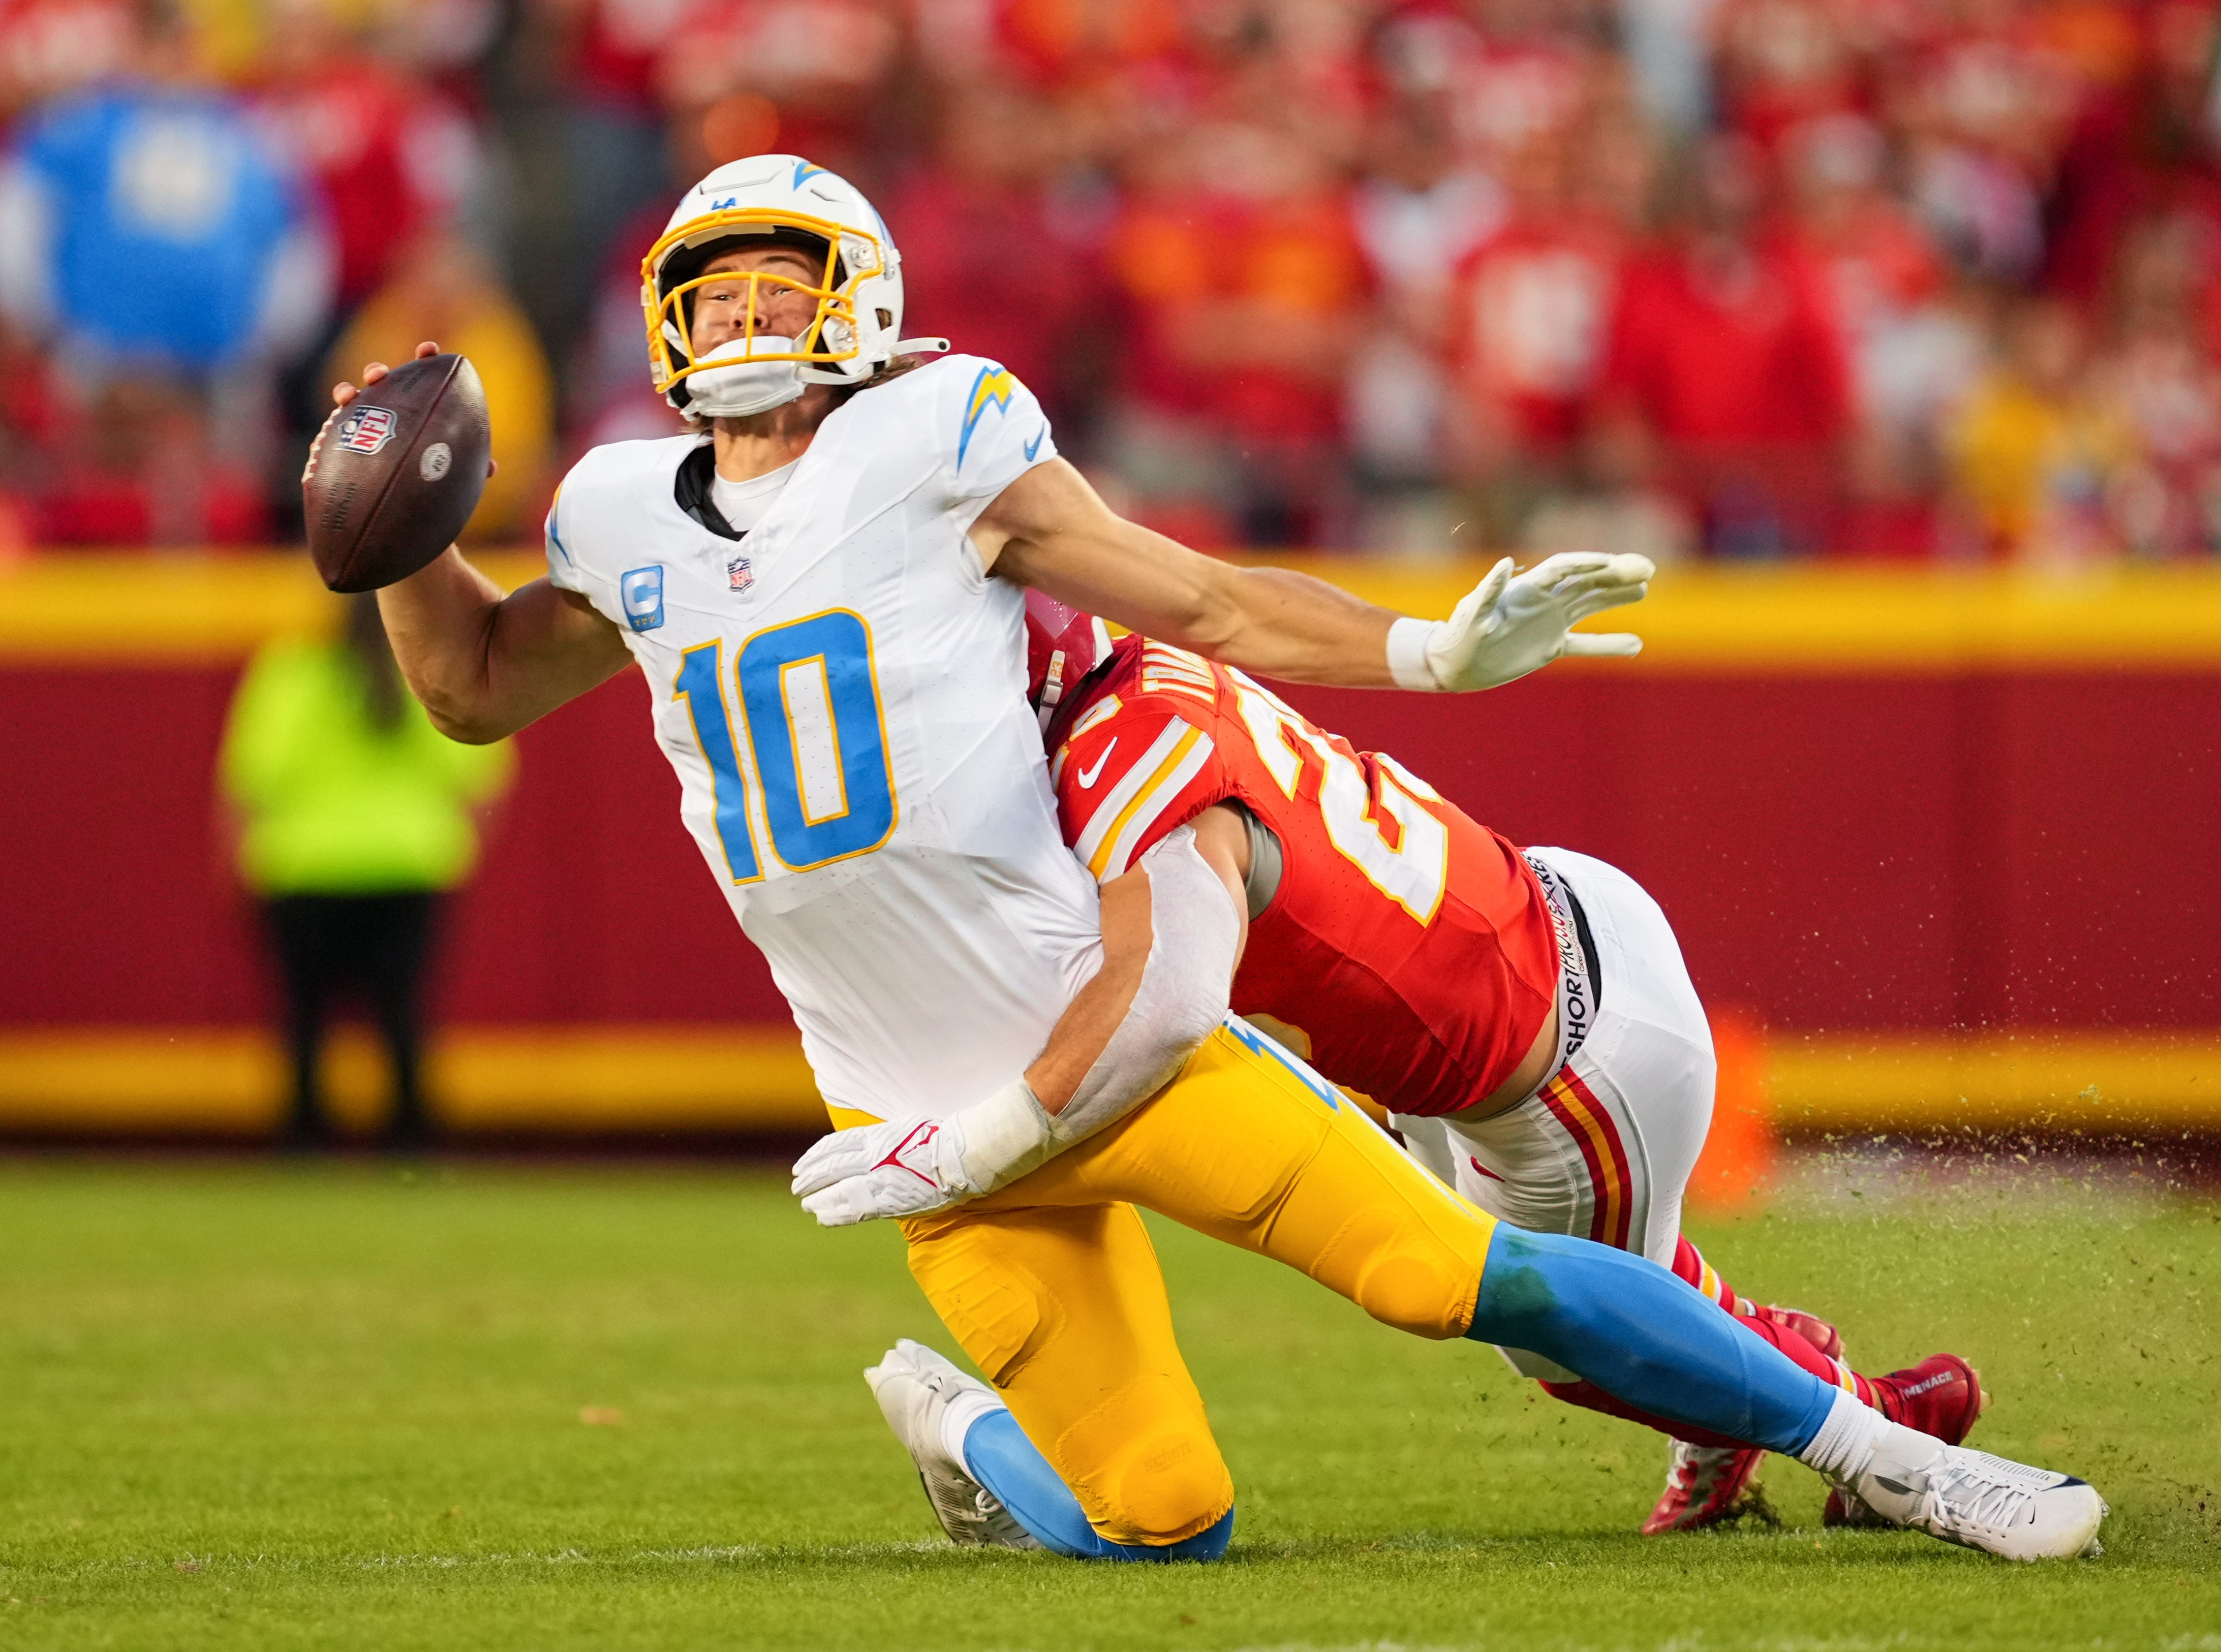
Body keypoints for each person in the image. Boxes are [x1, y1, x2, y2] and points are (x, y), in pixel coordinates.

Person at [333, 153, 2105, 1565]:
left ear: (859, 302)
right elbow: (474, 690)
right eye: (711, 295)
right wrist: (395, 530)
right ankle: (967, 1426)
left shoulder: (939, 440)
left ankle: (1890, 1459)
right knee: (1166, 1524)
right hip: (902, 1121)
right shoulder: (617, 514)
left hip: (1094, 1044)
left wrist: (1423, 652)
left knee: (1442, 1277)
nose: (742, 320)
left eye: (778, 286)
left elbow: (1203, 599)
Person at [1002, 594, 1985, 1536]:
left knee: (1561, 1337)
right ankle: (1753, 1374)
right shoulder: (1152, 675)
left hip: (1567, 1060)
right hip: (1539, 917)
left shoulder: (1119, 764)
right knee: (1572, 1269)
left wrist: (986, 1138)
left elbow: (1165, 1001)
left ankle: (1888, 1414)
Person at [219, 593, 512, 1147]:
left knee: (305, 1017)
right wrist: (451, 849)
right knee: (402, 1013)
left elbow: (248, 779)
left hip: (301, 866)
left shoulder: (290, 673)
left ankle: (304, 1139)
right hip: (408, 863)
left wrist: (237, 862)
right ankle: (411, 1139)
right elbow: (480, 778)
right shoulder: (428, 674)